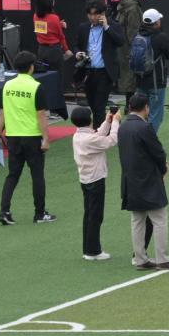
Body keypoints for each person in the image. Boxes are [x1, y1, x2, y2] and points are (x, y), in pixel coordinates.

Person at [119, 91, 169, 270]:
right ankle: (162, 258)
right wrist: (163, 169)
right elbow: (158, 152)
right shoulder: (144, 127)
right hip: (148, 179)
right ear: (146, 108)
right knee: (159, 219)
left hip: (130, 180)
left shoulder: (123, 126)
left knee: (137, 220)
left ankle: (140, 259)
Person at [0, 50, 53, 226]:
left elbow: (2, 113)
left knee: (12, 175)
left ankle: (4, 211)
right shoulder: (36, 87)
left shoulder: (7, 86)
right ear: (31, 67)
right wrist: (46, 139)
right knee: (37, 175)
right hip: (32, 137)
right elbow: (41, 116)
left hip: (13, 137)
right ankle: (39, 213)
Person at [71, 104, 117, 260]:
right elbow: (111, 140)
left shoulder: (79, 135)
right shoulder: (89, 139)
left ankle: (88, 249)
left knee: (89, 214)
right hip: (95, 180)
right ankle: (93, 250)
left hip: (86, 179)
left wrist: (108, 122)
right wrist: (116, 122)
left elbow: (98, 135)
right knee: (95, 215)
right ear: (89, 119)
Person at [130, 7, 169, 134]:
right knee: (155, 115)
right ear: (156, 23)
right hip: (156, 82)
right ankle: (148, 142)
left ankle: (139, 139)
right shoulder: (161, 37)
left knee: (140, 114)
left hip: (139, 81)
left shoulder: (137, 35)